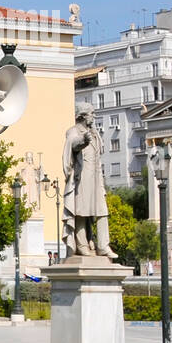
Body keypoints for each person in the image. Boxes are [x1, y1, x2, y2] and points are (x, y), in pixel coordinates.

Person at [62, 102, 117, 259]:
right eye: (92, 113)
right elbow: (73, 144)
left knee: (102, 211)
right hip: (82, 176)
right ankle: (82, 245)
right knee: (81, 212)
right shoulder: (73, 131)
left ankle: (103, 246)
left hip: (96, 177)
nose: (94, 116)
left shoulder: (94, 132)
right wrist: (84, 141)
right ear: (83, 116)